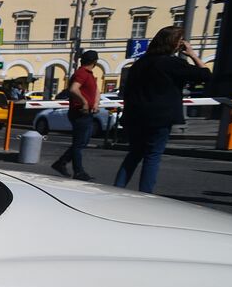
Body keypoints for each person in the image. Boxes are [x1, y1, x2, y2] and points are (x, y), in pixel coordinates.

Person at [113, 26, 211, 194]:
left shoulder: (139, 64)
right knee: (152, 156)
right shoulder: (172, 64)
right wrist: (192, 54)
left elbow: (127, 91)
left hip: (135, 116)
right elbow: (206, 75)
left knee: (134, 154)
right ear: (175, 43)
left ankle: (116, 189)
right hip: (160, 117)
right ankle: (145, 195)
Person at [50, 50, 102, 181]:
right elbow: (74, 89)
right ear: (95, 62)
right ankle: (78, 172)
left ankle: (61, 163)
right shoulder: (82, 73)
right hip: (79, 112)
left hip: (86, 112)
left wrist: (95, 103)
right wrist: (84, 102)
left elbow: (96, 90)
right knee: (79, 144)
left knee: (82, 142)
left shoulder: (88, 74)